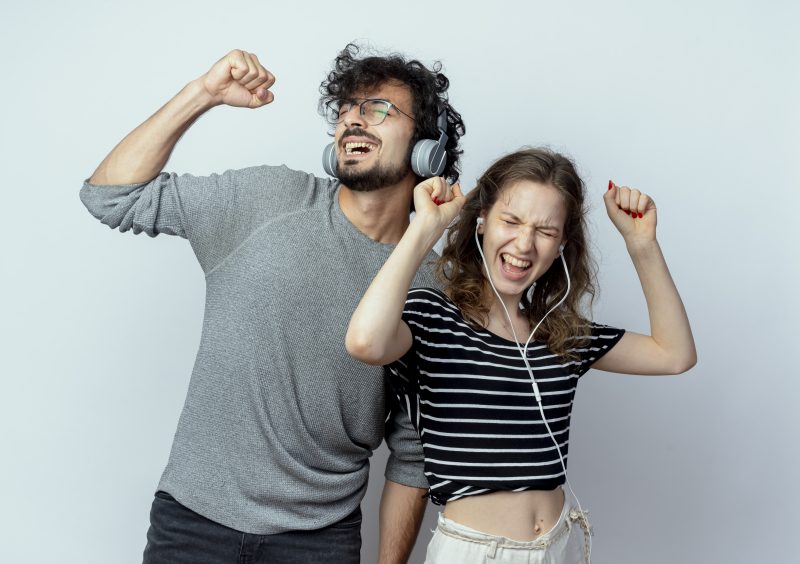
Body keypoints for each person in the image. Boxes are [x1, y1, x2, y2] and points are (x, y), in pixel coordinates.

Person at [79, 44, 465, 564]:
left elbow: (413, 455)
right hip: (192, 522)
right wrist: (203, 94)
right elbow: (109, 196)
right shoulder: (266, 199)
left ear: (428, 147)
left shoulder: (434, 286)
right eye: (347, 108)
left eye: (378, 108)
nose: (353, 118)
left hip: (320, 540)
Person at [346, 148, 696, 563]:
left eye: (546, 231)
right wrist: (425, 228)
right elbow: (365, 342)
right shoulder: (433, 316)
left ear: (562, 245)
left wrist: (642, 243)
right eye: (510, 222)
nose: (524, 244)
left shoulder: (560, 334)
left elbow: (674, 354)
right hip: (476, 553)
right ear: (482, 222)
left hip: (559, 544)